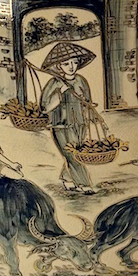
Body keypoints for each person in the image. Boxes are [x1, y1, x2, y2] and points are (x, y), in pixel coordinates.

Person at [38, 41, 99, 194]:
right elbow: (44, 107)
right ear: (59, 66)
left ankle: (67, 178)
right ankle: (84, 184)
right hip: (61, 125)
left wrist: (91, 113)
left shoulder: (81, 80)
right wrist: (60, 92)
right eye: (66, 63)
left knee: (74, 153)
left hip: (80, 123)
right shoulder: (54, 82)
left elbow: (87, 101)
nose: (71, 66)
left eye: (74, 62)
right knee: (73, 155)